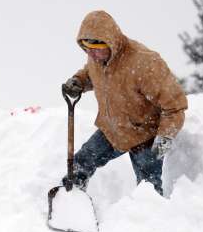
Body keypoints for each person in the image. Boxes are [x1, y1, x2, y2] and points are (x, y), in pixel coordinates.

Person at [62, 10, 188, 195]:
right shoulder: (97, 57)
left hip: (145, 136)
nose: (92, 55)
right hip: (112, 130)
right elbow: (91, 73)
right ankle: (71, 198)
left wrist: (164, 140)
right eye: (87, 50)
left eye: (96, 50)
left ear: (110, 42)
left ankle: (152, 220)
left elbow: (175, 106)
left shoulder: (145, 62)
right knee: (80, 165)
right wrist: (78, 82)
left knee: (149, 191)